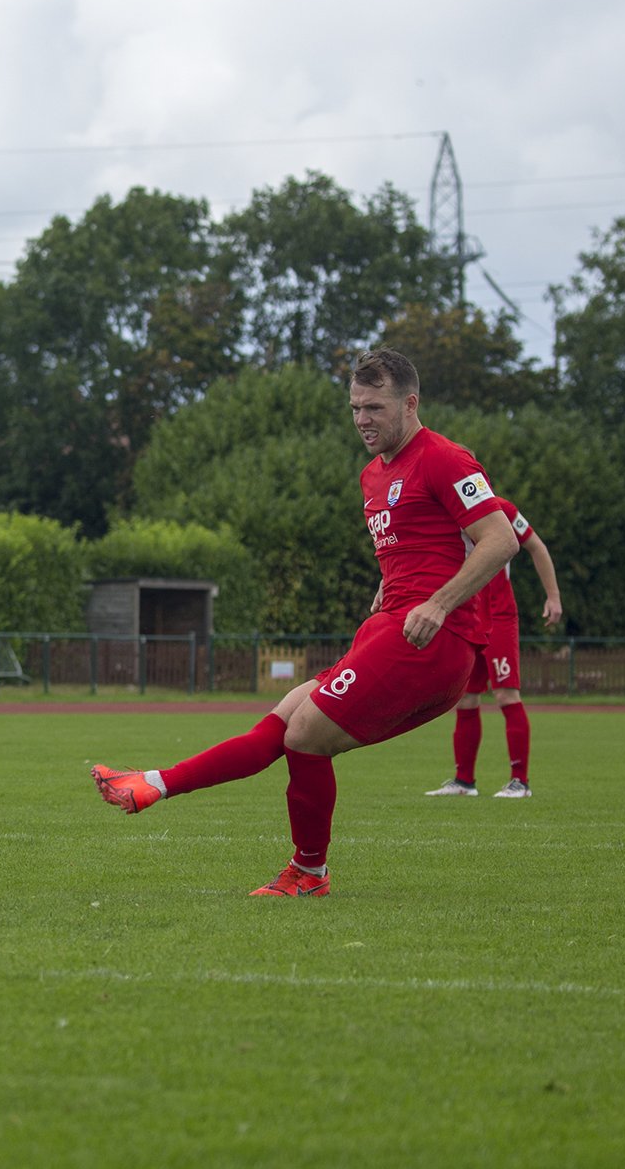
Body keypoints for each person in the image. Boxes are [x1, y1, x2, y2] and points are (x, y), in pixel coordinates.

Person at [92, 349, 518, 896]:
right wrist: (390, 582)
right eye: (355, 408)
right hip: (389, 627)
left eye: (375, 407)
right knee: (284, 718)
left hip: (431, 640)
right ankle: (152, 784)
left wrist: (436, 603)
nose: (362, 419)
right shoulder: (373, 475)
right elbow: (420, 546)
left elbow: (500, 539)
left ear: (410, 404)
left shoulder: (446, 458)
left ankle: (310, 873)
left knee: (307, 735)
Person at [425, 497, 563, 799]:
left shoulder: (501, 509)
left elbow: (536, 546)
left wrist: (552, 597)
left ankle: (520, 782)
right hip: (466, 617)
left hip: (499, 616)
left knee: (505, 694)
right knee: (465, 698)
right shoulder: (443, 513)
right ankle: (464, 781)